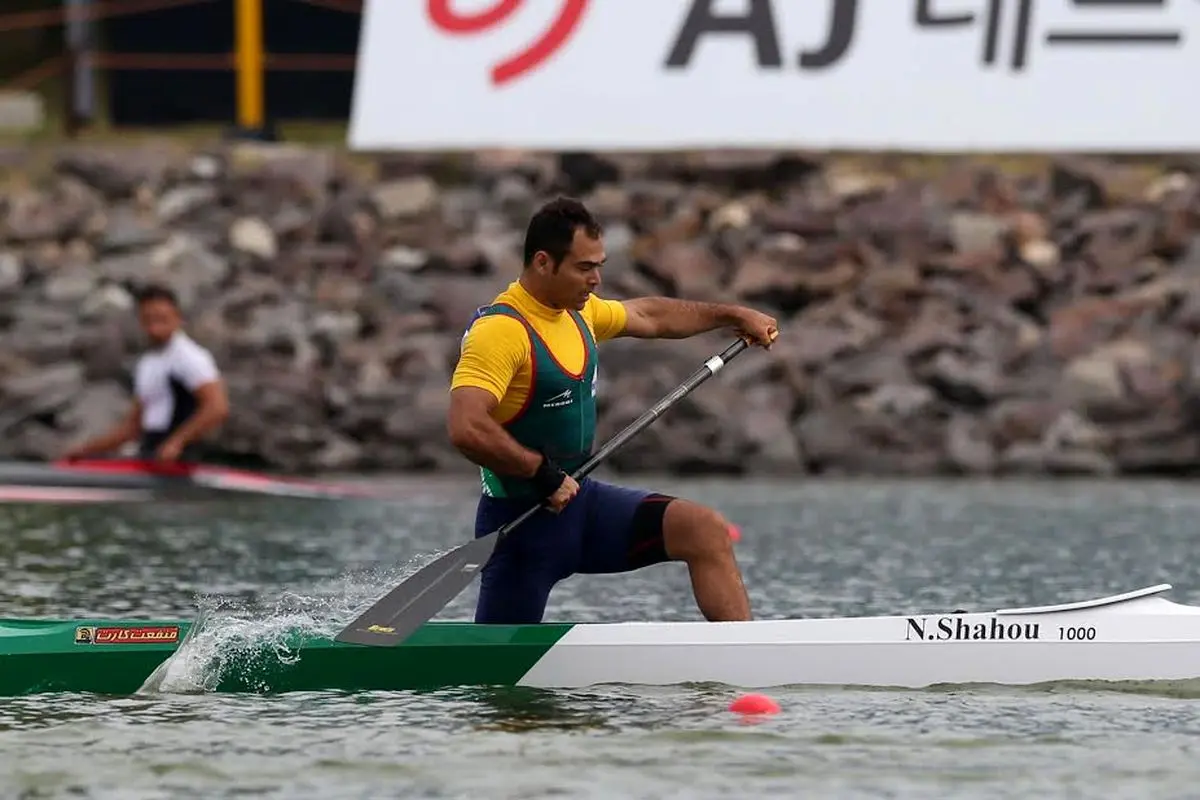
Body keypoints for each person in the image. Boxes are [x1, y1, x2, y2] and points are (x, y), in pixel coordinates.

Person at [448, 197, 779, 625]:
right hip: (522, 526)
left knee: (704, 530)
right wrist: (539, 473)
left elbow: (650, 315)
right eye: (585, 268)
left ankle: (745, 660)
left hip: (583, 506)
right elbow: (465, 426)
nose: (596, 280)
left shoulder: (578, 314)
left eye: (599, 265)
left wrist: (733, 315)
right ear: (544, 263)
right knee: (496, 684)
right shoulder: (501, 332)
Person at [63, 284, 229, 463]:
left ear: (177, 318)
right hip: (152, 453)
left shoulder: (190, 357)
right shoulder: (148, 363)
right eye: (148, 320)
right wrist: (86, 450)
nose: (154, 328)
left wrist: (177, 443)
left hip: (184, 458)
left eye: (161, 319)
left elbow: (217, 407)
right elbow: (132, 427)